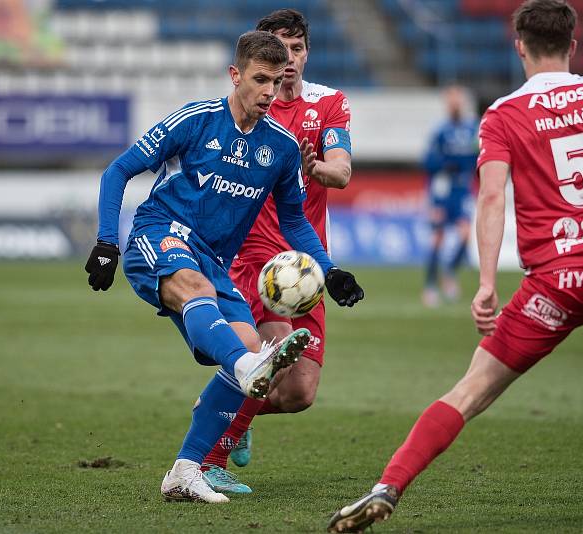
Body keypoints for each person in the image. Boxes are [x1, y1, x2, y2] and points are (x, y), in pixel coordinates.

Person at [328, 1, 583, 531]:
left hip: (556, 284)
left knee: (471, 389)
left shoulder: (503, 113)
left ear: (519, 45)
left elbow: (493, 197)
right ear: (573, 45)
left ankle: (389, 485)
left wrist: (483, 284)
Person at [84, 30, 364, 504]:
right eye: (259, 80)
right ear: (236, 75)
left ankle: (185, 470)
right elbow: (118, 170)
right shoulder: (196, 120)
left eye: (276, 83)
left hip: (215, 259)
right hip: (162, 234)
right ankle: (247, 366)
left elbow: (294, 220)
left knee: (250, 343)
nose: (268, 93)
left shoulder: (281, 146)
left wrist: (329, 269)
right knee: (211, 310)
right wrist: (107, 242)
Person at [198, 9, 354, 494]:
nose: (289, 59)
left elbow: (341, 171)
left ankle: (219, 408)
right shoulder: (253, 101)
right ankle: (211, 455)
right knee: (275, 350)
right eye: (279, 49)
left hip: (306, 265)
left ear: (308, 52)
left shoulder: (329, 104)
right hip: (254, 257)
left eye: (298, 48)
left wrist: (315, 169)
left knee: (299, 392)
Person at [422, 86, 479, 307]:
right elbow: (428, 162)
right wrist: (446, 164)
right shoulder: (440, 131)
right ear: (447, 105)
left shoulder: (472, 128)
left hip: (462, 190)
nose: (455, 106)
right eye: (451, 102)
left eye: (458, 101)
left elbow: (479, 156)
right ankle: (430, 286)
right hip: (442, 190)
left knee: (466, 235)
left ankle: (449, 273)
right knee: (437, 239)